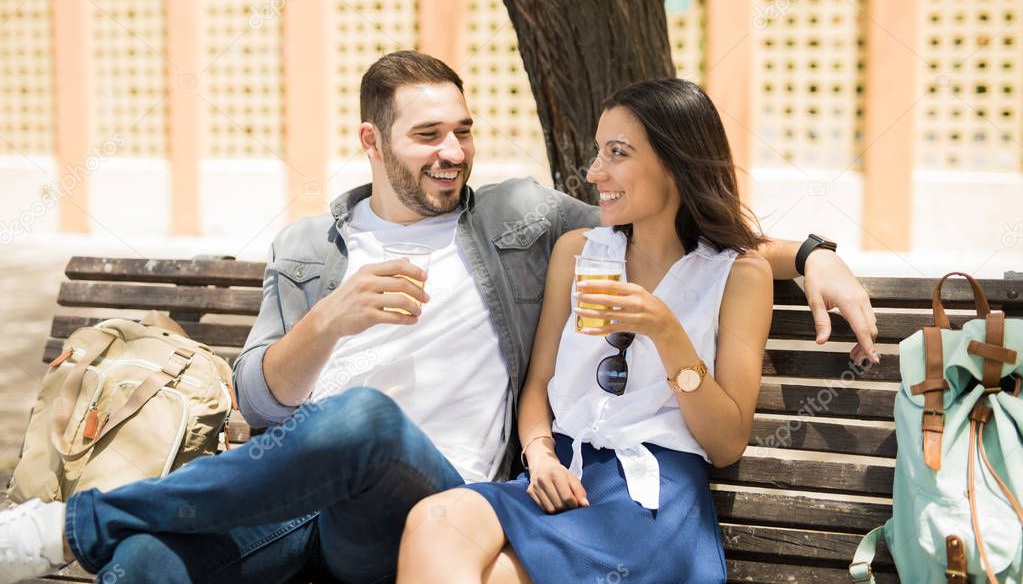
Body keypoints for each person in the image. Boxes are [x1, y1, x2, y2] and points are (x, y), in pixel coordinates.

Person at [0, 52, 877, 584]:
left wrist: (811, 251)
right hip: (294, 490)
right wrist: (330, 321)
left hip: (424, 491)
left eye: (462, 130)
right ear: (372, 143)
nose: (453, 151)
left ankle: (74, 523)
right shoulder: (310, 243)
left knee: (363, 422)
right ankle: (98, 536)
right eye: (427, 136)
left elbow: (685, 232)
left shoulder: (520, 220)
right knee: (146, 567)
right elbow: (259, 404)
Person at [396, 77, 772, 583]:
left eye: (616, 153)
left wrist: (667, 333)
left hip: (650, 500)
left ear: (675, 161)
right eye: (598, 151)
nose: (595, 172)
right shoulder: (579, 252)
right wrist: (541, 454)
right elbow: (538, 384)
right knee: (432, 520)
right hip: (560, 474)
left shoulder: (739, 275)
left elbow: (726, 443)